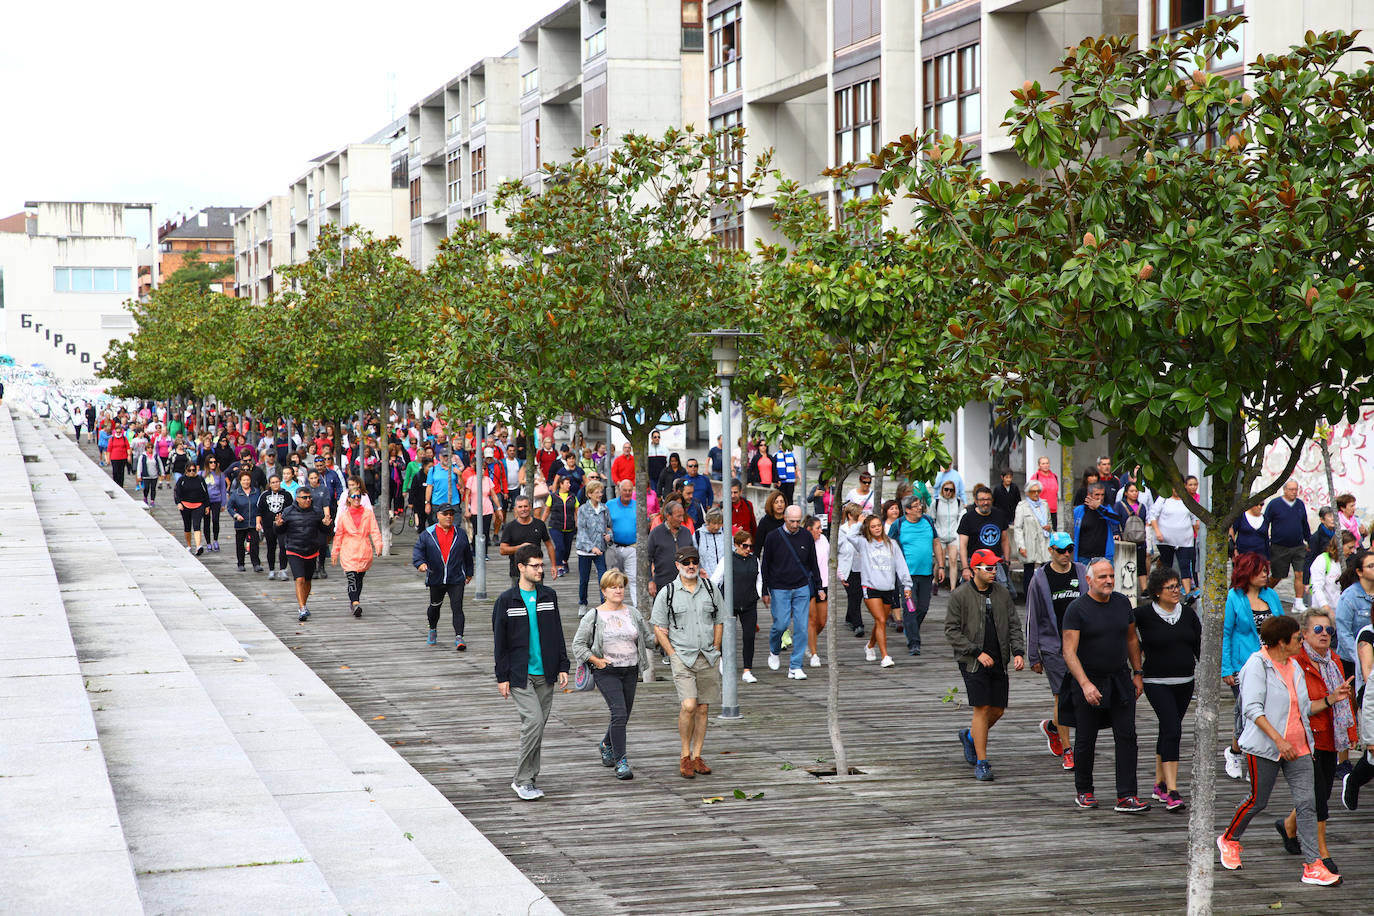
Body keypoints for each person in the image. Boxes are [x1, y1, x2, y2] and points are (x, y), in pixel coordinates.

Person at [1216, 615, 1344, 887]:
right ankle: (1229, 838)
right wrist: (1278, 741)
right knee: (1257, 801)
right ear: (1282, 642)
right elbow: (1252, 709)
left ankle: (1312, 864)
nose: (1301, 641)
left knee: (1308, 804)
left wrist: (1331, 699)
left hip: (1298, 747)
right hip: (1265, 748)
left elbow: (1303, 707)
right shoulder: (1256, 665)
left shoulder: (1293, 666)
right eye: (1298, 638)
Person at [1060, 558, 1150, 813]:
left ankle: (1127, 795)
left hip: (1120, 678)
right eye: (1102, 577)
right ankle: (1084, 790)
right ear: (1089, 580)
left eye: (1111, 576)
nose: (1109, 580)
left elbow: (1132, 639)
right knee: (1086, 738)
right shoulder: (1077, 609)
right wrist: (1085, 684)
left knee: (1127, 735)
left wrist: (1138, 672)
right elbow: (1069, 652)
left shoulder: (1122, 602)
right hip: (1088, 680)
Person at [1276, 610, 1355, 873]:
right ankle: (1322, 852)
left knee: (1319, 790)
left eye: (1329, 631)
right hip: (1306, 736)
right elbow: (1297, 703)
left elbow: (1345, 697)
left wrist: (1351, 733)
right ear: (1305, 634)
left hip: (1331, 735)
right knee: (1319, 796)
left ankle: (1289, 826)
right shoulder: (1296, 662)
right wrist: (1330, 699)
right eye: (1318, 630)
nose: (1325, 635)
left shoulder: (1334, 660)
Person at [493, 544, 570, 801]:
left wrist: (562, 665)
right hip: (519, 674)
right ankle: (521, 780)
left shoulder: (549, 596)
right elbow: (499, 643)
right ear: (521, 568)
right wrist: (501, 677)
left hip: (546, 673)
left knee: (537, 727)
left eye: (541, 565)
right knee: (533, 722)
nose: (541, 570)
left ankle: (530, 777)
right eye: (535, 566)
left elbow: (557, 632)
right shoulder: (506, 600)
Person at [947, 548, 1025, 781]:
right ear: (975, 570)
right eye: (990, 568)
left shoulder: (1002, 593)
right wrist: (976, 652)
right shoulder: (959, 595)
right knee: (981, 708)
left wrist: (1018, 651)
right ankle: (982, 762)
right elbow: (951, 631)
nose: (994, 572)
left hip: (999, 659)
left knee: (998, 710)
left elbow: (1013, 624)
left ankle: (970, 737)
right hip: (972, 662)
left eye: (996, 567)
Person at [571, 569, 653, 780]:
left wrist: (668, 636)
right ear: (604, 591)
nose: (618, 590)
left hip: (631, 669)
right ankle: (621, 761)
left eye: (621, 586)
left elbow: (648, 638)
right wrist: (597, 661)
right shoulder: (594, 615)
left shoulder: (632, 613)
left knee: (623, 715)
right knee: (619, 713)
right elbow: (578, 645)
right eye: (613, 587)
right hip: (606, 671)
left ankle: (606, 744)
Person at [652, 545, 724, 779]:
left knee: (703, 708)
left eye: (694, 561)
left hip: (708, 655)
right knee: (689, 705)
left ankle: (697, 756)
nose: (691, 565)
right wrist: (672, 654)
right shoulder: (668, 592)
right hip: (682, 656)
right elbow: (658, 627)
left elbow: (720, 620)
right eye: (686, 562)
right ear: (678, 566)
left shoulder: (711, 589)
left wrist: (716, 646)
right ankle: (684, 756)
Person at [1135, 566, 1202, 811]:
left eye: (1177, 586)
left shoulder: (1188, 614)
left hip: (1185, 682)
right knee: (1173, 728)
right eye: (1170, 587)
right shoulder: (1142, 615)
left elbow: (1199, 646)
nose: (1177, 591)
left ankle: (1159, 784)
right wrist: (1135, 668)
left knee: (1167, 729)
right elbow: (1126, 635)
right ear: (1156, 592)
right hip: (1156, 682)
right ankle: (1173, 791)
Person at [1025, 532, 1088, 772]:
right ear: (1050, 550)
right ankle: (1068, 750)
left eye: (1070, 549)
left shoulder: (1082, 571)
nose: (1066, 554)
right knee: (1062, 697)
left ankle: (1053, 727)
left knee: (1080, 695)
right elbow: (1032, 617)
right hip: (1053, 647)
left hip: (1081, 645)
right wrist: (1033, 655)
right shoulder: (1039, 578)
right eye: (1061, 550)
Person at [1223, 552, 1285, 778]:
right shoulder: (1234, 597)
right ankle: (1235, 752)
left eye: (1265, 570)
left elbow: (1283, 626)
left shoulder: (1271, 595)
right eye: (1259, 571)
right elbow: (1226, 633)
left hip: (1272, 662)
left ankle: (1252, 757)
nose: (1265, 574)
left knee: (1266, 711)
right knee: (1247, 711)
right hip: (1243, 664)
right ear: (1247, 572)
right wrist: (1226, 668)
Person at [762, 506, 825, 678]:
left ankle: (795, 666)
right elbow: (765, 564)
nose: (795, 525)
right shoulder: (773, 537)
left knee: (802, 627)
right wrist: (764, 590)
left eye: (798, 521)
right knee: (781, 624)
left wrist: (819, 586)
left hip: (801, 586)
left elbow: (813, 562)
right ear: (784, 518)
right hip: (779, 586)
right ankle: (774, 650)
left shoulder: (805, 535)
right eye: (792, 521)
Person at [413, 504, 474, 648]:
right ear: (437, 516)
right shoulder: (427, 534)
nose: (448, 517)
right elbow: (418, 551)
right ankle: (432, 629)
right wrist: (420, 564)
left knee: (457, 607)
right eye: (445, 514)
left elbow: (467, 555)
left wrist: (469, 572)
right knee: (435, 606)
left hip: (456, 577)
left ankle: (459, 637)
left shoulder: (460, 534)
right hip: (436, 577)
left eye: (451, 514)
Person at [888, 497, 943, 656]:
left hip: (926, 574)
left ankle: (911, 629)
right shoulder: (898, 525)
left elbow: (936, 543)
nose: (920, 507)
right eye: (916, 506)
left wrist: (940, 565)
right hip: (907, 577)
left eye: (920, 504)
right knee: (910, 608)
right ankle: (914, 643)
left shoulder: (927, 521)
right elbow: (889, 547)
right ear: (907, 510)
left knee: (923, 608)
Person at [275, 486, 331, 622]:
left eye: (309, 497)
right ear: (297, 498)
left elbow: (323, 530)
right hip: (294, 549)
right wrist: (278, 525)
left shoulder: (316, 511)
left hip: (311, 550)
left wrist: (326, 524)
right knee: (299, 579)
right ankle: (302, 608)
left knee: (307, 581)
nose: (308, 500)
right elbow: (280, 531)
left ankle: (304, 603)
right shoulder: (288, 511)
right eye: (304, 498)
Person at [332, 479, 383, 618]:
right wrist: (335, 552)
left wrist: (378, 545)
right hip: (349, 550)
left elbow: (374, 530)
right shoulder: (344, 515)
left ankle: (355, 600)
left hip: (364, 550)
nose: (356, 499)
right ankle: (355, 603)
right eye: (354, 497)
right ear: (349, 499)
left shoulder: (368, 513)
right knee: (352, 578)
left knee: (359, 579)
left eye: (359, 497)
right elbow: (339, 534)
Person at [719, 529, 760, 683]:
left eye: (751, 546)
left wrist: (759, 595)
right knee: (725, 635)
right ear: (736, 545)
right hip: (729, 603)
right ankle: (723, 660)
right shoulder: (727, 559)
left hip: (749, 603)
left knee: (749, 636)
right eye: (745, 546)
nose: (748, 549)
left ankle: (747, 670)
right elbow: (716, 580)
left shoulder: (754, 560)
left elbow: (759, 579)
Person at [1267, 481, 1313, 612]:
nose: (1294, 492)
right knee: (1278, 575)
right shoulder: (1274, 504)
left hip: (1298, 546)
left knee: (1300, 573)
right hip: (1279, 546)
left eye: (1296, 489)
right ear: (1284, 490)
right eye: (1291, 489)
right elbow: (1266, 522)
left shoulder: (1299, 504)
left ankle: (1298, 602)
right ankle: (1263, 594)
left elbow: (1304, 523)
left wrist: (1308, 540)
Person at [499, 496, 558, 592]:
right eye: (520, 507)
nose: (523, 509)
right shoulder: (510, 527)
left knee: (538, 599)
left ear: (530, 507)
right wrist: (520, 548)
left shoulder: (539, 525)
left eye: (525, 506)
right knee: (518, 601)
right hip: (517, 571)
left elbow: (549, 545)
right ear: (515, 509)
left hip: (537, 571)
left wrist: (554, 565)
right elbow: (502, 550)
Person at [1150, 482, 1200, 594]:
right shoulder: (1163, 499)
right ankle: (1166, 591)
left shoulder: (1187, 500)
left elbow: (1194, 520)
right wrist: (1157, 532)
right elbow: (1153, 515)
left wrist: (1197, 536)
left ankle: (1187, 593)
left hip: (1185, 540)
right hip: (1166, 540)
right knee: (1167, 566)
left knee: (1185, 565)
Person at [958, 485, 1011, 591]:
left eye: (988, 499)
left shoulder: (999, 515)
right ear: (976, 501)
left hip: (996, 564)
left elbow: (1005, 540)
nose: (985, 502)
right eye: (982, 499)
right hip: (975, 565)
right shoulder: (967, 518)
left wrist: (1007, 562)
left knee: (1001, 595)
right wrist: (965, 568)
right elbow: (962, 546)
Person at [1334, 548, 1374, 681]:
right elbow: (1344, 633)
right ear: (1359, 572)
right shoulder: (1349, 597)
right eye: (1371, 566)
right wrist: (1361, 658)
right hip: (1352, 661)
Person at [575, 480, 612, 615]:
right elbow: (582, 531)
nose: (600, 494)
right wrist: (591, 548)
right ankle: (583, 603)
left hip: (601, 550)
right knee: (584, 579)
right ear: (589, 494)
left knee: (603, 578)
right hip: (585, 551)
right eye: (597, 492)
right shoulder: (583, 510)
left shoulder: (604, 509)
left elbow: (608, 526)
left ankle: (605, 603)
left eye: (601, 492)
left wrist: (609, 536)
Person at [648, 502, 696, 600]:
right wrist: (650, 581)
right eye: (678, 516)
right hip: (663, 584)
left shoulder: (686, 532)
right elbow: (647, 559)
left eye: (683, 516)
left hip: (686, 584)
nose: (682, 520)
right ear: (668, 516)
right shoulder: (656, 533)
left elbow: (693, 555)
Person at [1015, 480, 1053, 599]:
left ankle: (1045, 596)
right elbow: (1018, 528)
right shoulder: (1022, 506)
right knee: (1029, 570)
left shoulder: (1044, 504)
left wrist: (1049, 528)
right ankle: (1029, 597)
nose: (1036, 494)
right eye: (1033, 491)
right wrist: (1021, 545)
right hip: (1029, 541)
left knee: (1046, 568)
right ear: (1027, 493)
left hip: (1044, 540)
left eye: (1038, 491)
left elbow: (1050, 522)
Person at [605, 480, 639, 604]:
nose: (627, 493)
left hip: (632, 547)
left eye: (630, 490)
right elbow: (605, 524)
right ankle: (615, 605)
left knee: (634, 579)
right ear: (619, 490)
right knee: (614, 580)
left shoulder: (638, 505)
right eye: (625, 490)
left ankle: (637, 607)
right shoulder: (609, 504)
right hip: (614, 547)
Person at [1308, 532, 1356, 615]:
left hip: (1339, 610)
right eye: (1350, 547)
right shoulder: (1322, 560)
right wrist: (1325, 606)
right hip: (1322, 611)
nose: (1352, 551)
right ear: (1339, 546)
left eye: (1353, 547)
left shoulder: (1346, 562)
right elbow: (1317, 587)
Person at [805, 515, 830, 667]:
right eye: (817, 528)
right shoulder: (803, 541)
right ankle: (814, 654)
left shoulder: (824, 541)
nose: (820, 531)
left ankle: (808, 639)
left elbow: (829, 560)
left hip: (824, 583)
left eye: (821, 527)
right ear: (809, 530)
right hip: (808, 583)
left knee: (822, 621)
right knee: (812, 619)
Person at [1072, 483, 1119, 564]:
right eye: (1097, 495)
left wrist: (1099, 508)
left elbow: (1116, 520)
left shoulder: (1106, 509)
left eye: (1102, 495)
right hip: (1083, 557)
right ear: (1089, 495)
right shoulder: (1079, 510)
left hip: (1103, 556)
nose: (1100, 498)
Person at [1117, 483, 1151, 595]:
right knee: (1126, 565)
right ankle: (1127, 589)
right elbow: (1115, 521)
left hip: (1140, 539)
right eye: (1131, 491)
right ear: (1126, 493)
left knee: (1141, 564)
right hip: (1126, 540)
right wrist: (1116, 533)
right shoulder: (1119, 505)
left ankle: (1144, 589)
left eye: (1136, 491)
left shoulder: (1142, 507)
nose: (1135, 493)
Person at [225, 470, 262, 572]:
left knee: (254, 544)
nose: (246, 482)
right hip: (241, 523)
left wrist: (259, 520)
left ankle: (256, 564)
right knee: (240, 544)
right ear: (240, 481)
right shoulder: (236, 493)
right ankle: (240, 563)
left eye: (248, 480)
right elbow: (230, 507)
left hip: (254, 521)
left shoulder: (256, 491)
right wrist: (236, 515)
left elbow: (260, 506)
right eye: (244, 480)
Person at [256, 475, 291, 579]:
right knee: (271, 547)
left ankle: (282, 569)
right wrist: (258, 523)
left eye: (277, 482)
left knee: (283, 546)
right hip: (268, 526)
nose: (275, 484)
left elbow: (290, 510)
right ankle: (271, 569)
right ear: (269, 484)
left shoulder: (287, 495)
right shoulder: (264, 495)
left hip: (283, 526)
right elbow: (259, 511)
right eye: (273, 482)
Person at [544, 473, 579, 578]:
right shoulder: (553, 497)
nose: (569, 485)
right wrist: (541, 523)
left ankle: (565, 561)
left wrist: (578, 524)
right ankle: (559, 566)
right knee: (560, 546)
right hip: (555, 526)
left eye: (570, 483)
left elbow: (577, 512)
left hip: (569, 527)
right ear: (561, 484)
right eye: (567, 483)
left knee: (567, 549)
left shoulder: (573, 497)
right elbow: (546, 511)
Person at [173, 462, 210, 555]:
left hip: (198, 505)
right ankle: (189, 545)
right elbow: (177, 492)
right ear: (186, 470)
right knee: (187, 526)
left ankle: (198, 546)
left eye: (194, 470)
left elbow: (205, 493)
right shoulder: (182, 480)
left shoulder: (200, 479)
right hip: (185, 505)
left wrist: (207, 505)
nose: (192, 472)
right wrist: (178, 503)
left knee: (197, 525)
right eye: (190, 470)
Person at [425, 450, 463, 517]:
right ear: (440, 457)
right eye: (444, 456)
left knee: (455, 525)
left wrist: (459, 475)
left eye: (448, 456)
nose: (446, 458)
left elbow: (461, 486)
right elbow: (429, 487)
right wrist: (427, 503)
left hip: (453, 503)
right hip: (438, 503)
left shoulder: (455, 468)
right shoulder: (433, 469)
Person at [753, 489, 787, 561]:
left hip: (787, 559)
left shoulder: (789, 520)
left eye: (782, 502)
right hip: (771, 560)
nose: (780, 505)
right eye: (776, 502)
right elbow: (758, 545)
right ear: (771, 504)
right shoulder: (765, 522)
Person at [695, 508, 727, 583]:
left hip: (725, 581)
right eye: (714, 523)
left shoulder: (726, 533)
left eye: (719, 523)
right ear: (707, 522)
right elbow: (694, 556)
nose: (717, 527)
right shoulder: (698, 535)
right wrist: (699, 569)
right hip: (705, 579)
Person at [201, 457, 226, 552]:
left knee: (215, 520)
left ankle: (215, 540)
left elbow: (223, 489)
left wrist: (223, 503)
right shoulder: (202, 474)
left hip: (216, 499)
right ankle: (208, 543)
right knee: (206, 521)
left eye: (215, 462)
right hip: (206, 500)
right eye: (211, 462)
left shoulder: (220, 474)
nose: (213, 464)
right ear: (207, 463)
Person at [1031, 456, 1061, 530]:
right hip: (1040, 510)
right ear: (1039, 465)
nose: (1045, 465)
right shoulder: (1035, 477)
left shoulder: (1054, 476)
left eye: (1047, 463)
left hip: (1053, 510)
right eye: (1043, 463)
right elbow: (1031, 494)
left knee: (1053, 534)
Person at [136, 443, 164, 507]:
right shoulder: (143, 456)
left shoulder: (156, 456)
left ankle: (152, 500)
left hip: (154, 475)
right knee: (146, 488)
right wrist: (139, 476)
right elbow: (139, 466)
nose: (150, 449)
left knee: (153, 488)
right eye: (148, 448)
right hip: (146, 475)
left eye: (151, 448)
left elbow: (160, 464)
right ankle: (145, 497)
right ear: (146, 449)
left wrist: (162, 473)